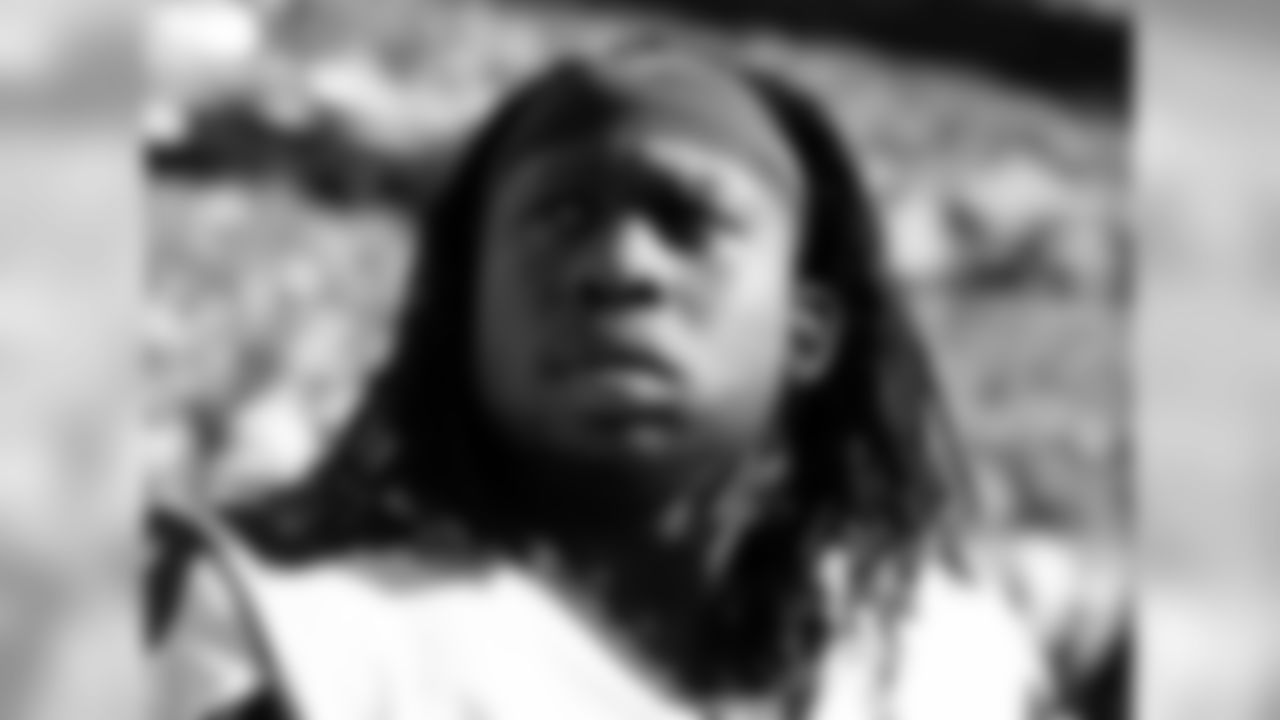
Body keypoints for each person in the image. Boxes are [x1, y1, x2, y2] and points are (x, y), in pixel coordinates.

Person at [151, 43, 1064, 720]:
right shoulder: (294, 639)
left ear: (807, 332)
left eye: (687, 221)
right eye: (559, 218)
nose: (619, 267)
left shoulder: (951, 667)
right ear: (464, 316)